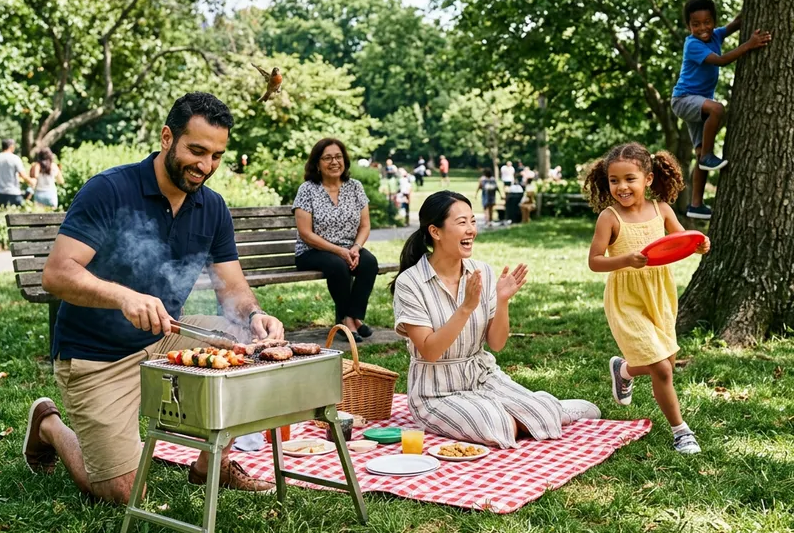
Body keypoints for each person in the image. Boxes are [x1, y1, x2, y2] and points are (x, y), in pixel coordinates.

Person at [22, 93, 285, 503]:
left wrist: (254, 315)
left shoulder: (212, 207)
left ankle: (207, 466)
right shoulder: (109, 190)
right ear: (167, 137)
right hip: (96, 356)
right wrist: (124, 298)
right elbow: (57, 274)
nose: (205, 166)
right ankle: (50, 426)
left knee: (244, 347)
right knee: (125, 494)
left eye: (216, 155)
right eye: (196, 150)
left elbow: (232, 289)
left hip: (165, 341)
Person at [390, 191, 600, 448]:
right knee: (499, 425)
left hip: (482, 376)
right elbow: (430, 350)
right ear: (435, 231)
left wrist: (502, 301)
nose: (471, 230)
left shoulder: (482, 272)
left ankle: (548, 409)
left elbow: (497, 344)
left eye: (472, 221)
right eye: (461, 222)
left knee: (538, 415)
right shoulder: (410, 282)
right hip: (435, 392)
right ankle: (536, 411)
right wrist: (466, 308)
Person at [583, 142, 710, 455]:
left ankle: (624, 370)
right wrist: (625, 259)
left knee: (661, 363)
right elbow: (595, 261)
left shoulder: (661, 210)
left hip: (660, 294)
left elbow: (680, 243)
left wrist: (698, 244)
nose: (622, 187)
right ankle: (682, 432)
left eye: (630, 179)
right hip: (626, 299)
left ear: (648, 179)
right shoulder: (609, 218)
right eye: (615, 180)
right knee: (664, 370)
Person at [670, 0, 771, 219]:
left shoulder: (716, 34)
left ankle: (696, 205)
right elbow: (721, 60)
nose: (703, 28)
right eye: (696, 24)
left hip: (697, 102)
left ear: (714, 21)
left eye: (707, 22)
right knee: (717, 109)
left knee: (698, 154)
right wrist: (749, 45)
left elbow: (735, 24)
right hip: (685, 99)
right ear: (689, 26)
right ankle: (708, 155)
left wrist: (751, 9)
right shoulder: (693, 44)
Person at [293, 138, 379, 343]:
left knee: (369, 262)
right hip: (312, 251)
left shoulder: (355, 187)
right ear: (317, 164)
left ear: (345, 160)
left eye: (338, 157)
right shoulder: (308, 189)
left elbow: (365, 225)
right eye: (327, 158)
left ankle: (351, 317)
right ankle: (347, 322)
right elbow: (306, 233)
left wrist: (356, 248)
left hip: (349, 249)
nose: (334, 162)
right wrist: (340, 251)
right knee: (338, 266)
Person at [0, 139, 35, 206]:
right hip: (13, 193)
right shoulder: (15, 158)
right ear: (11, 146)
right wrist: (32, 182)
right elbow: (23, 175)